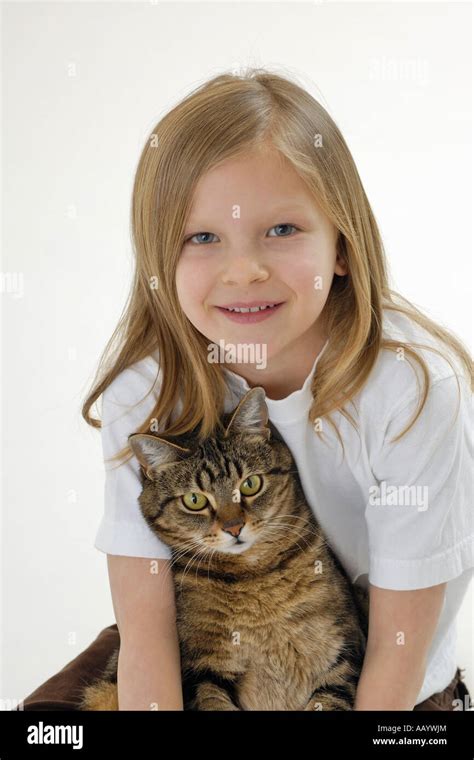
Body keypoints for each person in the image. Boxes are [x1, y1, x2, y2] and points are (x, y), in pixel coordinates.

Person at [22, 68, 473, 711]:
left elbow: (394, 663)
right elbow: (148, 633)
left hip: (372, 677)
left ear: (342, 246)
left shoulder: (412, 395)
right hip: (207, 652)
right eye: (203, 237)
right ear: (160, 261)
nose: (245, 270)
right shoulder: (148, 388)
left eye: (282, 230)